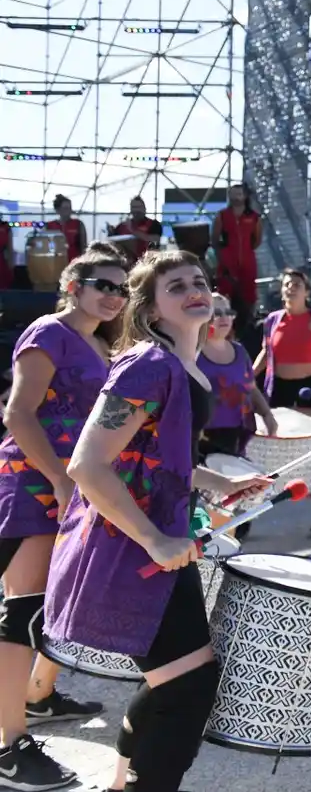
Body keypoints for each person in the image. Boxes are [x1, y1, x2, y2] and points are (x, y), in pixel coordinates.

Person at [45, 250, 271, 792]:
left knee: (175, 682)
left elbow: (154, 457)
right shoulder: (149, 364)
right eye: (177, 286)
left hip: (164, 544)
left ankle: (123, 783)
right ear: (149, 309)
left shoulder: (186, 369)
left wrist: (219, 484)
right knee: (187, 688)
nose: (195, 290)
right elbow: (87, 464)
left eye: (200, 281)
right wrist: (151, 539)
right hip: (135, 547)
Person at [0, 246, 126, 790]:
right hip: (31, 487)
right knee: (21, 617)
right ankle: (8, 747)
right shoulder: (49, 331)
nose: (114, 296)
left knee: (40, 613)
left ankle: (40, 699)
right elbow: (18, 413)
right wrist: (56, 477)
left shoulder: (99, 346)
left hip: (65, 492)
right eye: (103, 284)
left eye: (122, 289)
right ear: (72, 283)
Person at [253, 268, 311, 537]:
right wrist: (246, 377)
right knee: (267, 453)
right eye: (286, 284)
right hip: (279, 391)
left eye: (296, 284)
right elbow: (265, 352)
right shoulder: (271, 320)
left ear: (307, 291)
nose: (290, 288)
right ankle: (247, 516)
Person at [198, 293, 276, 458]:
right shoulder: (192, 352)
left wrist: (267, 414)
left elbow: (251, 388)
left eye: (228, 312)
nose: (224, 317)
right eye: (216, 313)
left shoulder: (239, 351)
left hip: (238, 433)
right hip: (203, 436)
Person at [211, 184, 261, 335]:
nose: (236, 197)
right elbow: (214, 239)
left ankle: (247, 328)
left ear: (245, 196)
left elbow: (257, 240)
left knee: (248, 295)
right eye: (232, 194)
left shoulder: (254, 217)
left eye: (239, 194)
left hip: (247, 261)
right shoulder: (222, 215)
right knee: (225, 293)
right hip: (228, 260)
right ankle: (225, 330)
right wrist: (223, 257)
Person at [112, 196, 163, 264]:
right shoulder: (121, 226)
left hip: (148, 263)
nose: (137, 210)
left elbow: (155, 239)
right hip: (126, 264)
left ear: (144, 208)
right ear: (130, 209)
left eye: (139, 207)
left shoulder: (154, 224)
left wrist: (132, 230)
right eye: (134, 207)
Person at [44, 195, 86, 263]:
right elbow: (44, 247)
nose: (69, 211)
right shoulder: (49, 226)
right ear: (58, 210)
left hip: (74, 265)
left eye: (70, 208)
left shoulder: (78, 224)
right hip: (55, 264)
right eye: (65, 208)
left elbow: (84, 247)